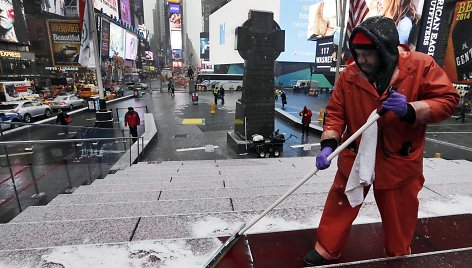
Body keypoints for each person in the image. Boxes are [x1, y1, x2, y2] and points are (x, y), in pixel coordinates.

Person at [303, 16, 459, 266]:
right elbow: (335, 113)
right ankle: (326, 248)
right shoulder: (349, 75)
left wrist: (410, 110)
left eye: (367, 54)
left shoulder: (422, 66)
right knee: (340, 204)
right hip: (355, 157)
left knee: (400, 214)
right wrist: (328, 145)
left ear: (385, 51)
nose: (360, 60)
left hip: (398, 159)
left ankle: (398, 253)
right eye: (357, 53)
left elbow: (448, 100)